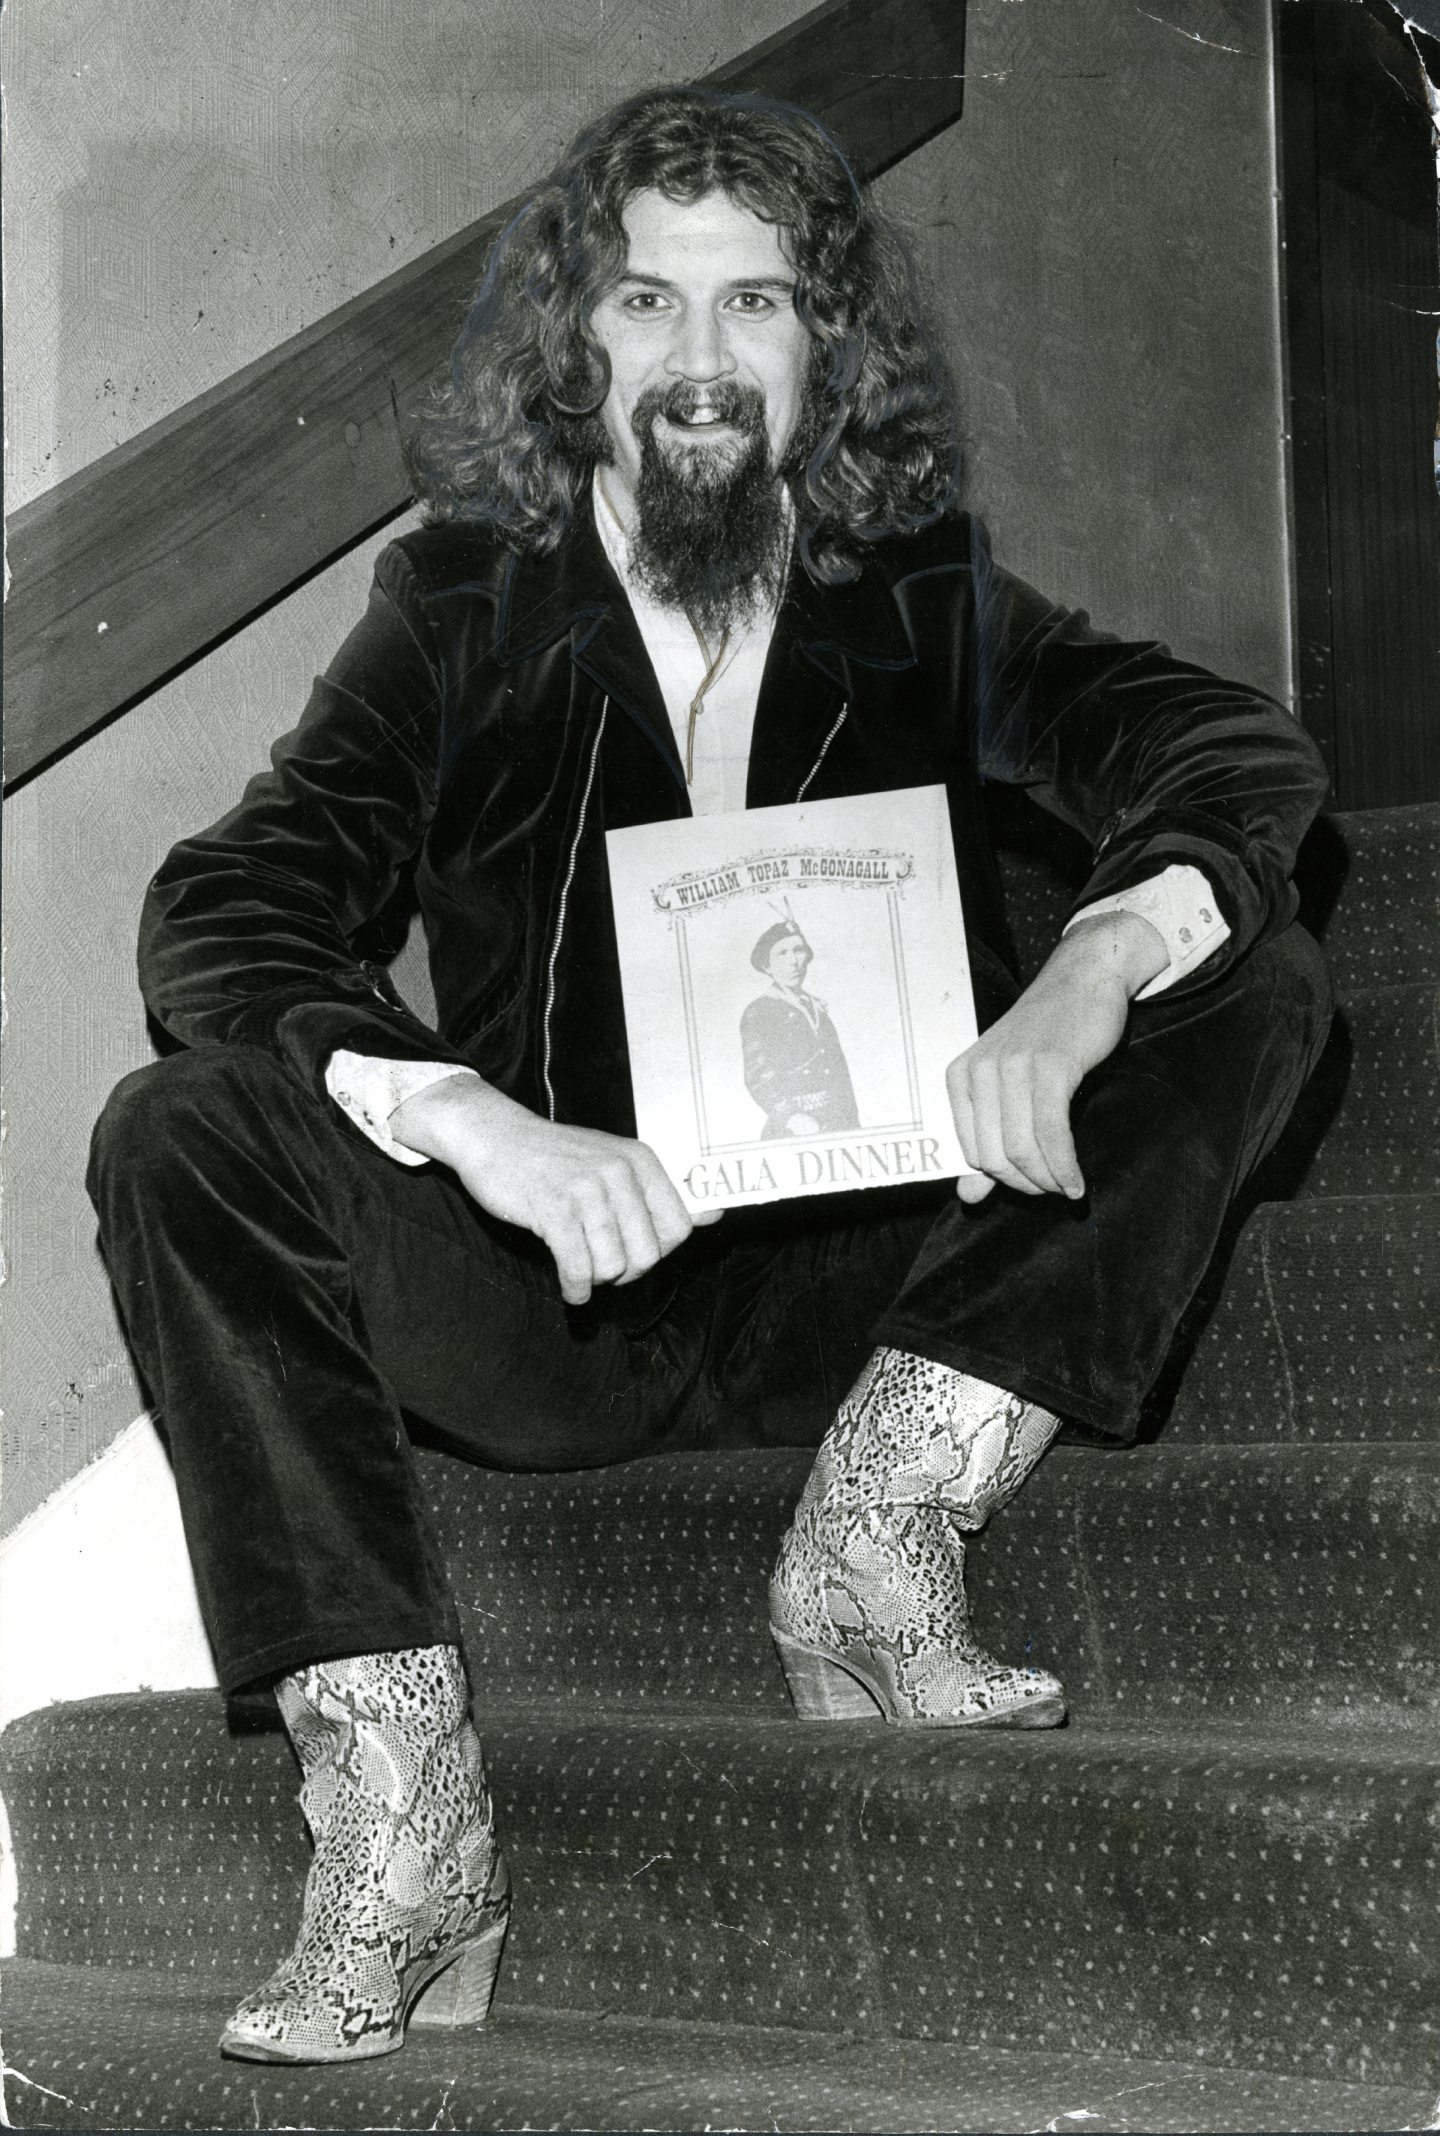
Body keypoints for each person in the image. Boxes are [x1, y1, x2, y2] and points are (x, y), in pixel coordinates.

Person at [87, 86, 1332, 2066]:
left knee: (1242, 961)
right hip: (571, 1290)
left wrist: (1092, 964)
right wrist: (475, 1123)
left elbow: (1228, 750)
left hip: (864, 1286)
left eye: (754, 306)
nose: (697, 361)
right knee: (178, 1128)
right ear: (578, 341)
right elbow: (227, 910)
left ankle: (883, 1526)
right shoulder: (460, 611)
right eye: (649, 304)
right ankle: (403, 1826)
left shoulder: (914, 597)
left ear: (828, 349)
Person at [741, 919, 860, 1137]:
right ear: (766, 966)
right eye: (782, 954)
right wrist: (793, 1117)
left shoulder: (818, 1010)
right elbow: (758, 1077)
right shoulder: (759, 1012)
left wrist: (852, 1124)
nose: (793, 961)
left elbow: (840, 1075)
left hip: (837, 1123)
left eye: (798, 951)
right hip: (793, 1130)